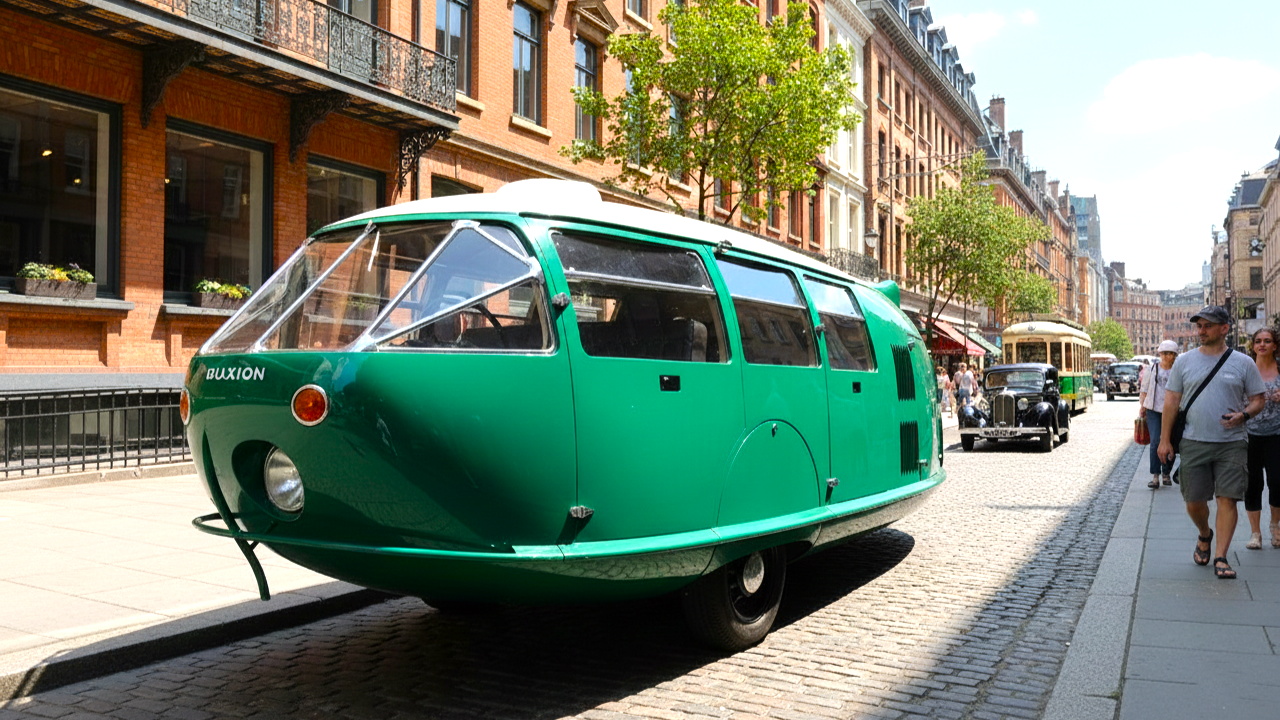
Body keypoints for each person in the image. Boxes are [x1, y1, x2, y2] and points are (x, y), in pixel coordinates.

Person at [1158, 306, 1266, 580]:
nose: (1201, 331)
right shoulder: (1184, 362)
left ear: (1224, 329)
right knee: (1194, 501)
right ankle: (1205, 533)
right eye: (1199, 326)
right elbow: (1171, 401)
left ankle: (1221, 556)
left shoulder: (1243, 363)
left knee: (1227, 499)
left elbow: (1258, 399)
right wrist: (1165, 440)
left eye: (1207, 325)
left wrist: (1244, 415)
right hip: (1194, 441)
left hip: (1233, 443)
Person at [1244, 326, 1280, 550]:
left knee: (1277, 481)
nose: (1262, 344)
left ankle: (1275, 526)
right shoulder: (1246, 370)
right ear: (1253, 345)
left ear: (1275, 345)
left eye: (1267, 341)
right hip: (1249, 436)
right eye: (1258, 341)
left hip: (1277, 434)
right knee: (1252, 483)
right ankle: (1255, 533)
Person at [1139, 340, 1178, 489]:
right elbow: (1144, 388)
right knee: (1155, 440)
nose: (1167, 356)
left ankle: (1166, 472)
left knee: (1170, 441)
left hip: (1172, 410)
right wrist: (1142, 406)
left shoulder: (1177, 370)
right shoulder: (1153, 369)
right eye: (1164, 353)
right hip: (1154, 409)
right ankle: (1155, 475)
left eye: (1170, 353)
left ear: (1174, 355)